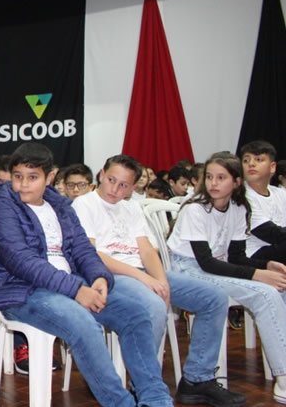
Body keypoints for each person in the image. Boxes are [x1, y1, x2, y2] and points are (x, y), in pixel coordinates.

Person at [0, 143, 173, 407]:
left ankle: (156, 400)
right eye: (18, 176)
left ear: (50, 177)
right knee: (84, 324)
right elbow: (21, 261)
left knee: (136, 315)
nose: (23, 184)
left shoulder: (60, 205)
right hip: (20, 291)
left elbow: (83, 248)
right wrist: (76, 290)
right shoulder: (2, 207)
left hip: (69, 284)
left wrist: (99, 277)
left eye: (32, 177)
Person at [72, 154, 245, 406]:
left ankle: (197, 379)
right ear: (101, 175)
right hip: (108, 274)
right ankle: (143, 384)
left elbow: (147, 250)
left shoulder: (131, 207)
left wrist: (161, 282)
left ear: (133, 188)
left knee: (214, 297)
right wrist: (146, 279)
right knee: (152, 304)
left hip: (141, 271)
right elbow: (92, 255)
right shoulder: (84, 204)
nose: (115, 189)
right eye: (111, 180)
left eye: (124, 185)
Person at [168, 151, 286, 405]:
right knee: (265, 293)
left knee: (281, 287)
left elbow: (236, 257)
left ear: (236, 182)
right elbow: (206, 262)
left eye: (221, 177)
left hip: (217, 268)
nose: (213, 183)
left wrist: (266, 265)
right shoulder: (195, 209)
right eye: (209, 176)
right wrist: (258, 274)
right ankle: (284, 377)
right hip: (187, 270)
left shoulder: (238, 208)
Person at [240, 140, 286, 265]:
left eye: (258, 160)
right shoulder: (240, 196)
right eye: (246, 160)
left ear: (272, 167)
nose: (251, 164)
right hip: (252, 254)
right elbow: (270, 233)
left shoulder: (280, 193)